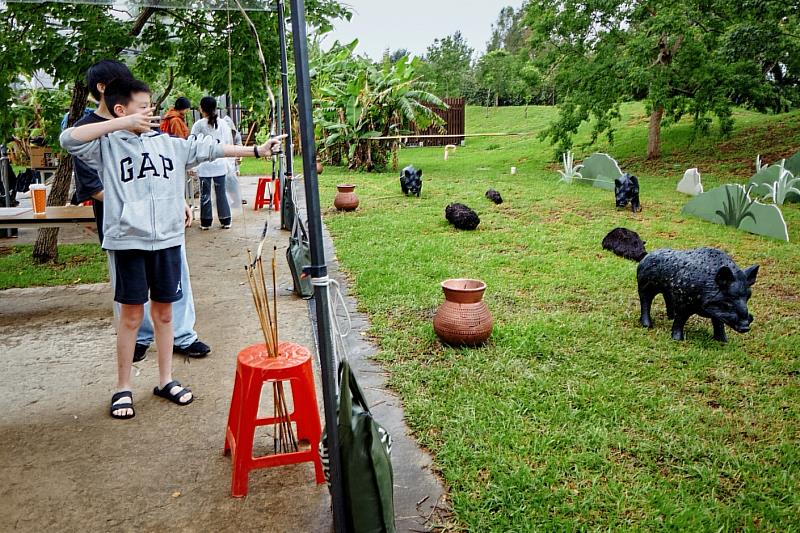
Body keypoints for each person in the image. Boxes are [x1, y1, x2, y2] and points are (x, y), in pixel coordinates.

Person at [60, 77, 284, 419]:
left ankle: (165, 380)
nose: (150, 111)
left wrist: (256, 150)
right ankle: (123, 388)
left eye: (150, 105)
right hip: (127, 242)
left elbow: (210, 149)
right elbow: (68, 139)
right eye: (142, 107)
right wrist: (122, 124)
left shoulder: (168, 144)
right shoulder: (107, 144)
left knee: (164, 313)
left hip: (167, 241)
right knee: (131, 316)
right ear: (121, 110)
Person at [73, 59, 210, 362]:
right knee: (130, 294)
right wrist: (135, 207)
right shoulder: (87, 131)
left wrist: (174, 200)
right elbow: (94, 187)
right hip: (122, 228)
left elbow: (162, 167)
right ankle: (139, 338)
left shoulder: (143, 125)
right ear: (105, 89)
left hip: (164, 224)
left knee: (176, 280)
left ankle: (183, 335)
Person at [190, 96, 232, 230]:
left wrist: (192, 165)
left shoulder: (198, 125)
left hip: (204, 165)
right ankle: (226, 220)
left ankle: (206, 222)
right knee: (221, 193)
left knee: (205, 194)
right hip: (220, 164)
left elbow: (192, 144)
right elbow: (227, 143)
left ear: (201, 109)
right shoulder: (223, 124)